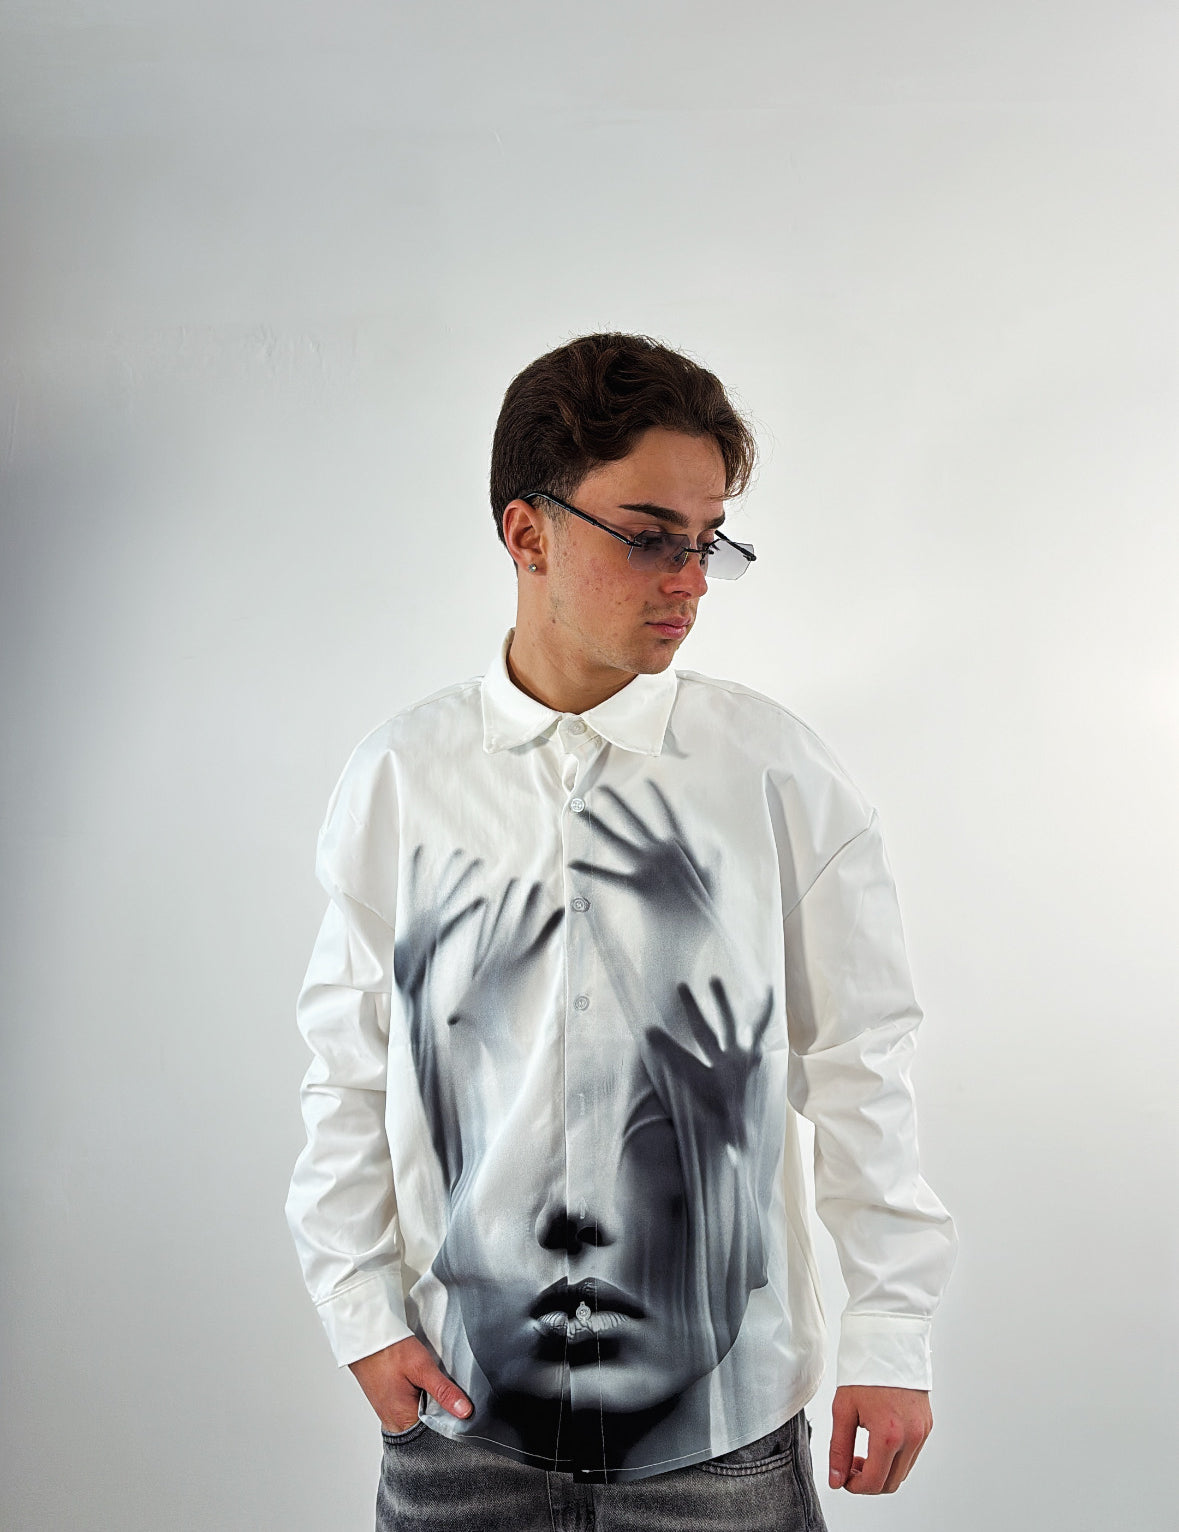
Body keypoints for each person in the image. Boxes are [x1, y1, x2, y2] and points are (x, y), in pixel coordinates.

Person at [285, 332, 958, 1530]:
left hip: (722, 1452)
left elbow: (861, 1058)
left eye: (708, 541)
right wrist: (359, 1309)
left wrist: (890, 1327)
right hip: (459, 1431)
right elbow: (350, 1067)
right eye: (650, 535)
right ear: (527, 531)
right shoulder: (403, 779)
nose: (688, 579)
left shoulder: (773, 772)